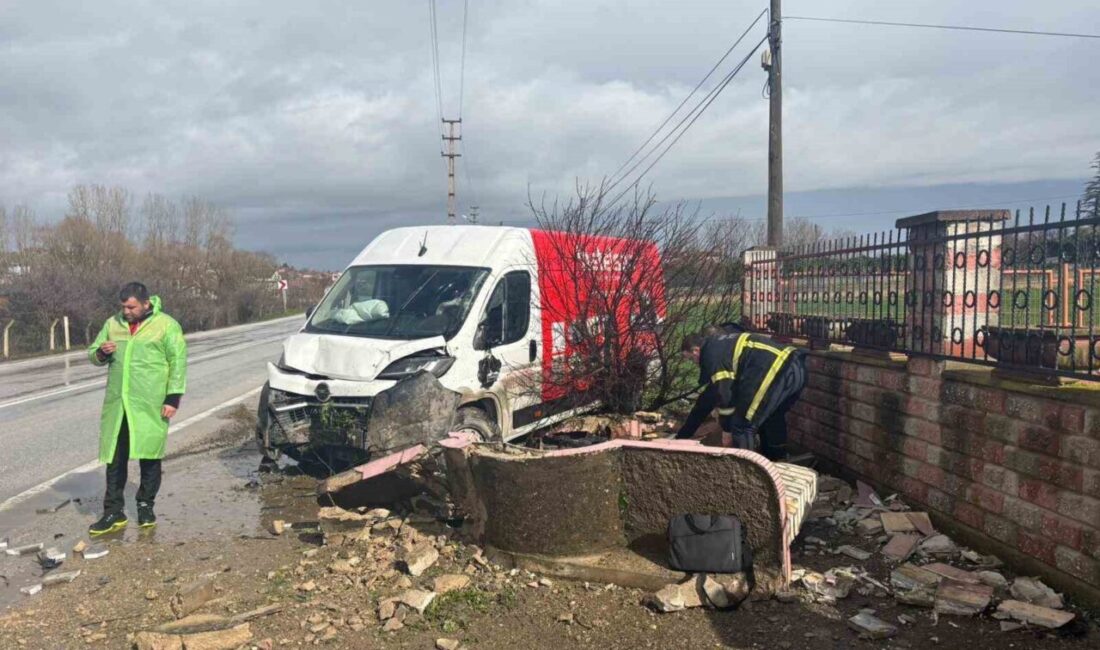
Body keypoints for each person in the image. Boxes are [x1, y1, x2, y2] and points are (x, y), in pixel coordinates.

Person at [87, 282, 187, 535]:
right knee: (115, 458)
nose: (126, 311)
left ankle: (145, 506)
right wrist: (102, 353)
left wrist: (173, 397)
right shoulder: (113, 324)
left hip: (151, 402)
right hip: (119, 403)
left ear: (146, 303)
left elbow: (178, 361)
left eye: (131, 307)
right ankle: (113, 512)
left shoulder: (166, 325)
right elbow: (93, 353)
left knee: (150, 455)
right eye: (123, 307)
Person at [675, 324, 806, 461]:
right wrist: (682, 436)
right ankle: (776, 460)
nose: (694, 363)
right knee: (771, 417)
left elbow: (725, 395)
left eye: (691, 359)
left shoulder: (711, 354)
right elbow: (707, 400)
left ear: (696, 351)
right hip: (795, 367)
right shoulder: (723, 348)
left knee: (742, 425)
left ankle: (744, 469)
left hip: (775, 370)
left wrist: (727, 429)